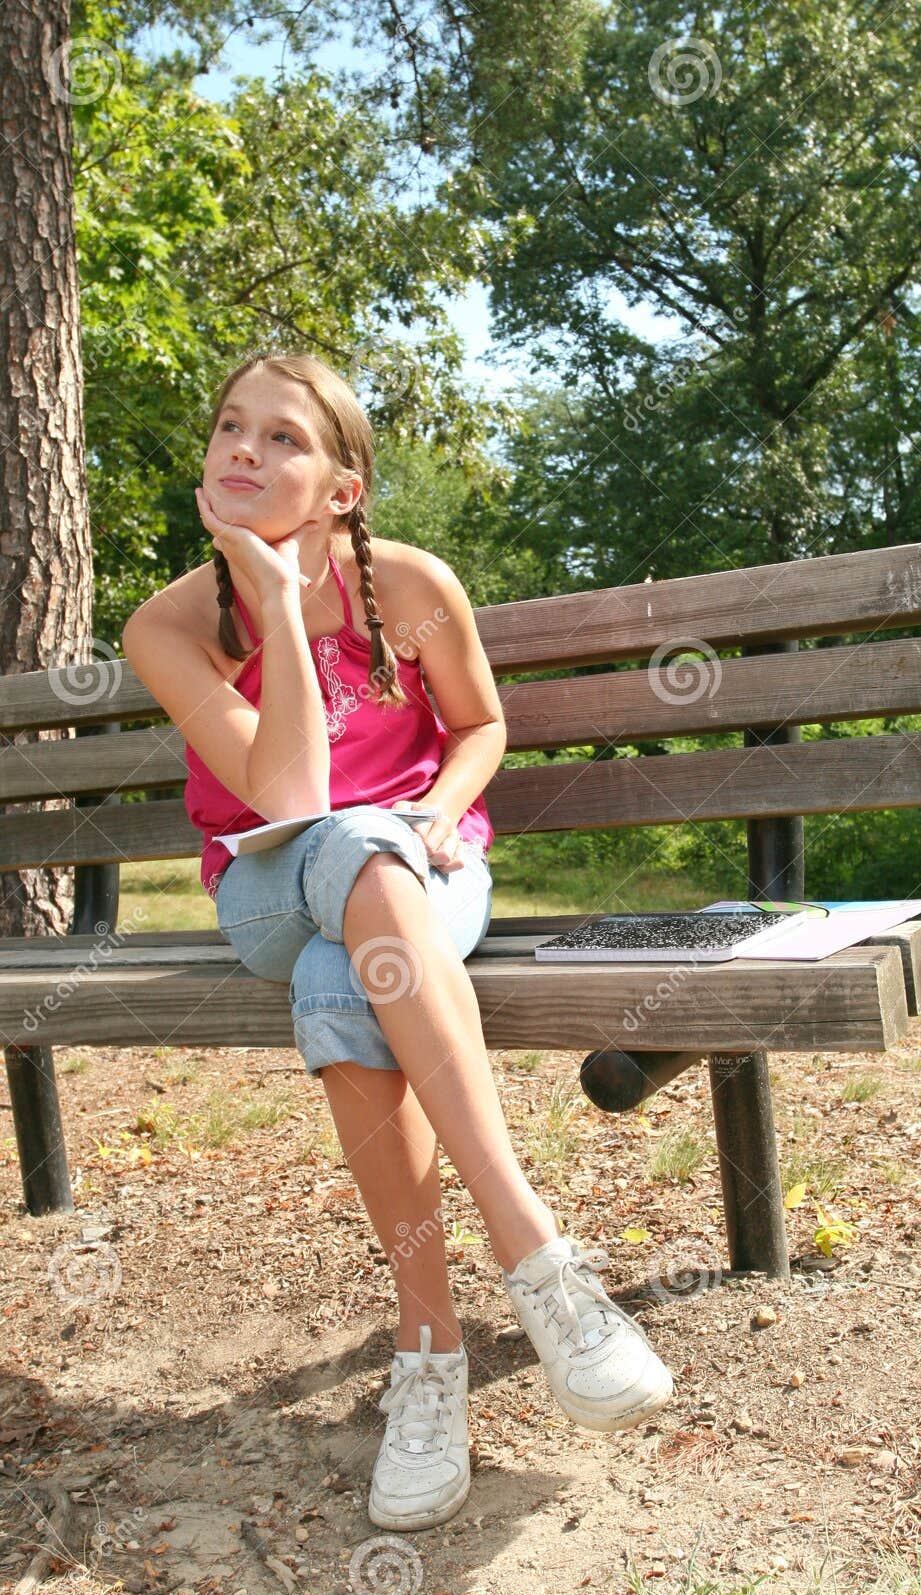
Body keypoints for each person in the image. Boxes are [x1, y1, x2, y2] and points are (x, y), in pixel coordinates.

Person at [121, 351, 673, 1534]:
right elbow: (293, 793)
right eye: (230, 428)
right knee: (345, 860)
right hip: (268, 886)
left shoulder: (413, 585)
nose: (244, 452)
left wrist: (434, 812)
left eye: (283, 439)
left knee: (343, 972)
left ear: (342, 488)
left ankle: (430, 1355)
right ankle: (539, 1262)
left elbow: (479, 725)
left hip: (422, 876)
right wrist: (271, 603)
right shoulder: (168, 623)